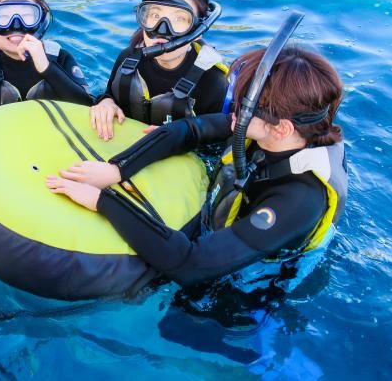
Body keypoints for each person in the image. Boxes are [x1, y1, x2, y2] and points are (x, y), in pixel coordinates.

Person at [46, 17, 348, 289]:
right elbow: (189, 130)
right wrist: (117, 170)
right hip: (231, 228)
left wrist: (104, 201)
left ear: (281, 128)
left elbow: (191, 267)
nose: (231, 109)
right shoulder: (276, 130)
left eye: (241, 105)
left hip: (260, 279)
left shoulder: (300, 199)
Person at [90, 0, 229, 140]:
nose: (162, 29)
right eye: (155, 15)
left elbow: (214, 147)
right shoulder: (128, 59)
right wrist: (106, 103)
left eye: (179, 19)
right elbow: (109, 95)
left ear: (198, 30)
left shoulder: (212, 81)